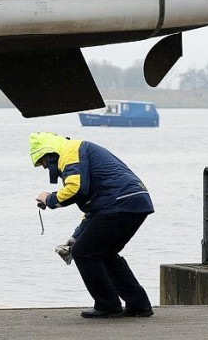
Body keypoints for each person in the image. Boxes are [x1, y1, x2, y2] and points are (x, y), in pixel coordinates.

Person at [29, 131, 154, 319]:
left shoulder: (70, 151)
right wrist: (75, 237)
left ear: (49, 153)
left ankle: (107, 305)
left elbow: (76, 189)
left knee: (83, 252)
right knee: (105, 253)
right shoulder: (79, 151)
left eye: (43, 162)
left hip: (118, 203)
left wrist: (50, 199)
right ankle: (138, 304)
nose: (45, 167)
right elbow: (93, 210)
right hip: (135, 201)